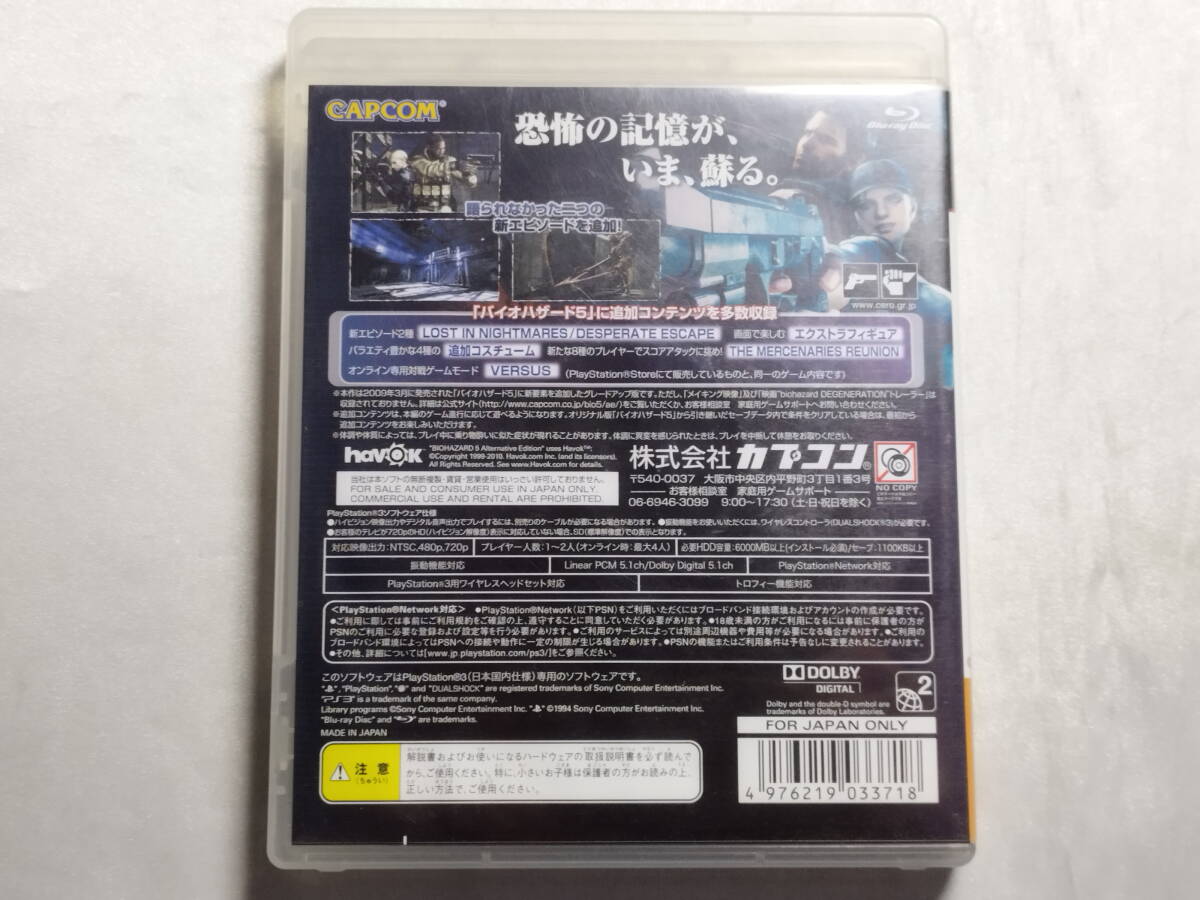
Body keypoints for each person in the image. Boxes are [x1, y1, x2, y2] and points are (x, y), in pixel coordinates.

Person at [818, 159, 954, 388]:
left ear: (913, 208)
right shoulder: (857, 252)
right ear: (857, 216)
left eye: (894, 199)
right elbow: (843, 260)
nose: (881, 213)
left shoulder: (933, 279)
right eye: (866, 205)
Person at [409, 135, 478, 213]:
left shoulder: (448, 161)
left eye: (443, 148)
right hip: (421, 207)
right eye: (438, 149)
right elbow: (430, 169)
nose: (442, 151)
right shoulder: (417, 160)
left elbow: (466, 180)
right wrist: (455, 165)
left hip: (444, 207)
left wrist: (469, 175)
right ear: (429, 147)